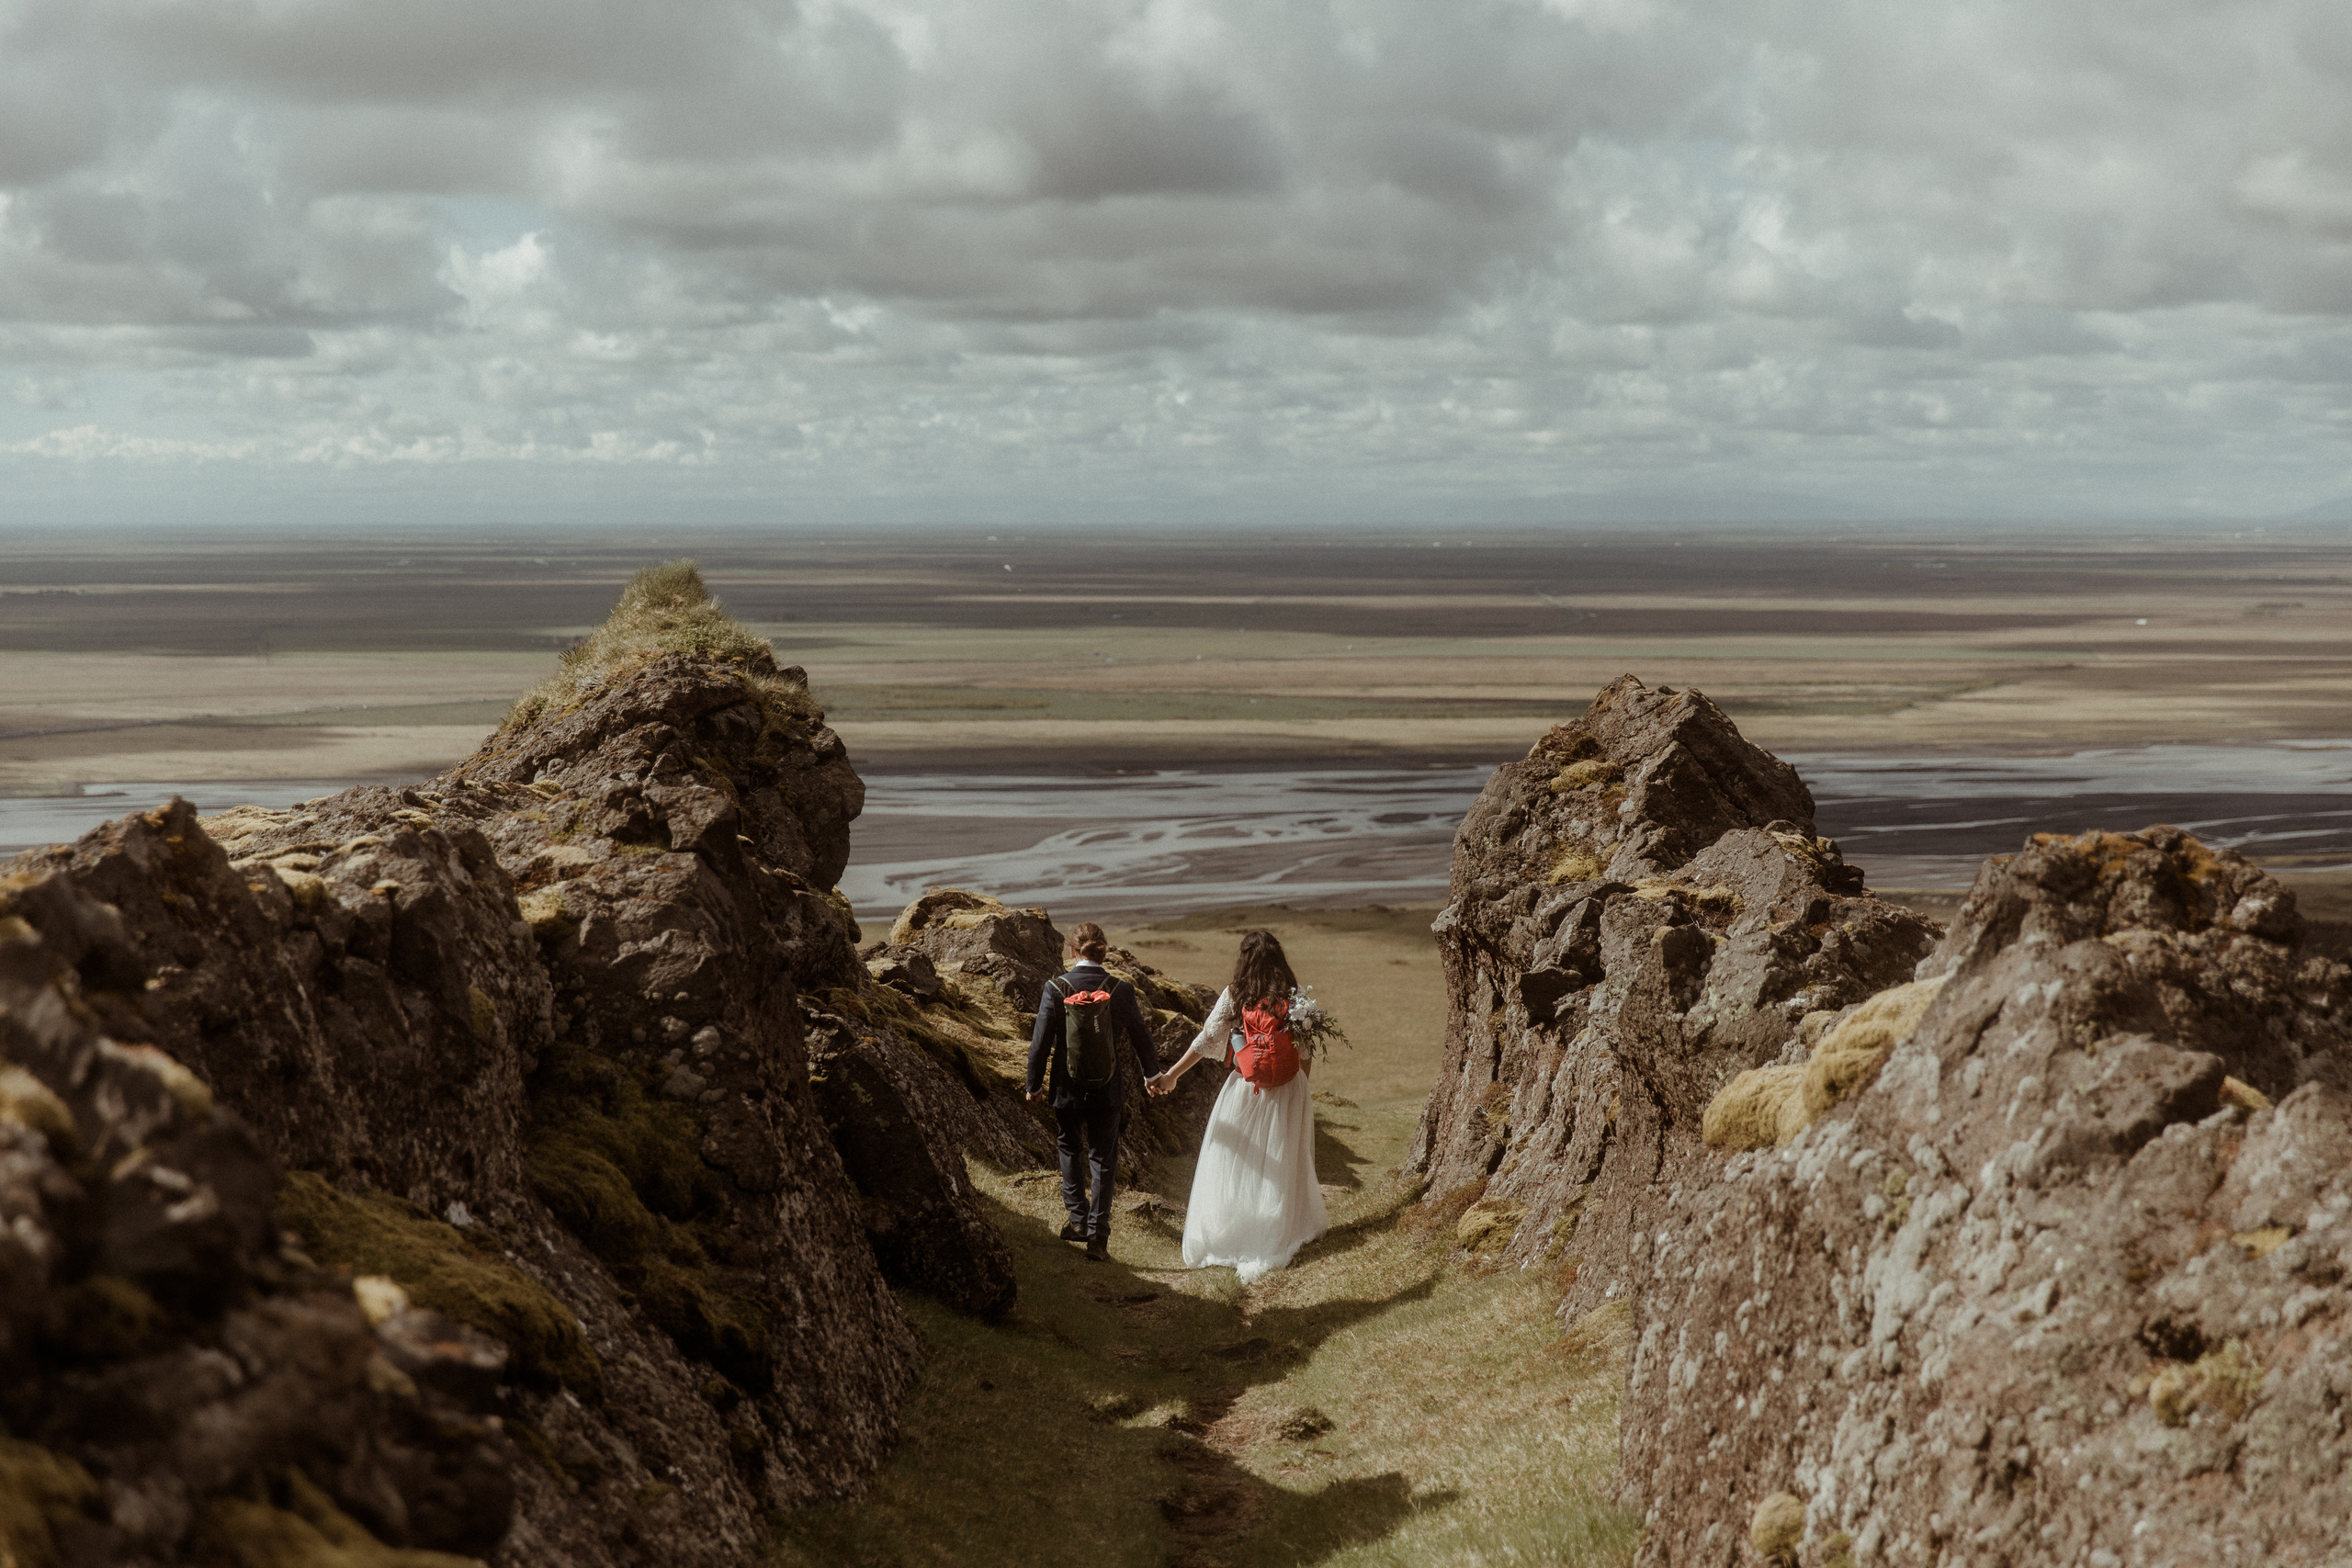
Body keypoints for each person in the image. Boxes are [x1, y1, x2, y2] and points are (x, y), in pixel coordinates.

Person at [1147, 929, 1328, 1281]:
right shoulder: (1294, 997)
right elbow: (1305, 1052)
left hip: (1246, 1088)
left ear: (1245, 960)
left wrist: (1172, 1075)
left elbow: (1206, 1040)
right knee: (1284, 1161)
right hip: (1289, 1089)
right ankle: (1277, 1229)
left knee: (1235, 1161)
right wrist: (1300, 1088)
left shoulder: (1236, 995)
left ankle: (1235, 1231)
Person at [1026, 922, 1159, 1263]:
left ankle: (1077, 1220)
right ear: (1104, 950)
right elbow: (1141, 1036)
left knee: (1069, 1147)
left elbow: (1040, 1043)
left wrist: (1033, 1085)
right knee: (1103, 1159)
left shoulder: (1055, 988)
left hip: (1066, 1089)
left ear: (1072, 951)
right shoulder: (1122, 989)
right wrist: (1152, 1074)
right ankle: (1098, 1237)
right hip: (1108, 1088)